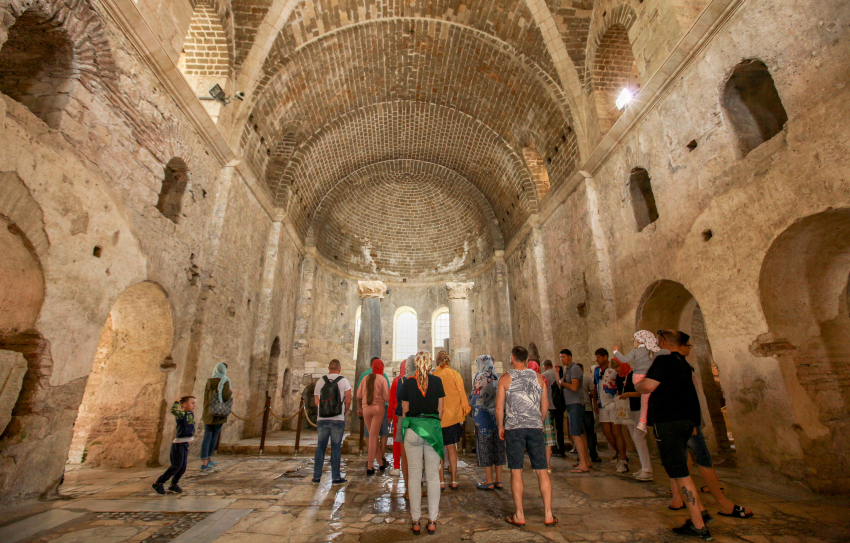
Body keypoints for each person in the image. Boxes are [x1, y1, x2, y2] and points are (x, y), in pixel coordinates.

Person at [668, 332, 753, 518]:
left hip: (678, 420)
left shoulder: (671, 365)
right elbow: (687, 396)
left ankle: (678, 498)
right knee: (702, 458)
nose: (690, 349)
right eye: (688, 346)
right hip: (687, 420)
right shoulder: (680, 366)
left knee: (681, 459)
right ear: (680, 346)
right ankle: (722, 503)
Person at [636, 330, 711, 540]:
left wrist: (638, 385)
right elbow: (691, 395)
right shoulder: (684, 364)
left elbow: (648, 386)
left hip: (668, 422)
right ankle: (700, 512)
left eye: (659, 340)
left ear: (663, 342)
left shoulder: (663, 361)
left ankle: (699, 524)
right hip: (686, 422)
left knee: (679, 473)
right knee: (680, 471)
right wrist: (694, 422)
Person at [497, 346, 556, 527]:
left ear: (512, 358)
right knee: (542, 470)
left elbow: (499, 407)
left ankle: (520, 514)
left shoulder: (506, 378)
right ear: (527, 359)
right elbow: (544, 404)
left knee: (516, 471)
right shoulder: (539, 378)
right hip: (535, 427)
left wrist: (501, 426)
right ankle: (548, 514)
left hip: (514, 428)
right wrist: (539, 420)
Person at [400, 351, 446, 535]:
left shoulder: (408, 383)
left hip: (413, 430)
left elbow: (405, 411)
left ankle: (416, 520)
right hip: (432, 430)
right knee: (433, 476)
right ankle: (433, 519)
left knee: (414, 476)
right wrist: (432, 423)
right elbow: (440, 410)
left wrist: (414, 425)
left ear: (416, 364)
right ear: (429, 364)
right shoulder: (437, 382)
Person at [432, 350, 471, 491]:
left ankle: (441, 481)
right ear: (448, 361)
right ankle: (454, 480)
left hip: (438, 418)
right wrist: (465, 409)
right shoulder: (455, 374)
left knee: (439, 450)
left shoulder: (434, 376)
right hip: (453, 418)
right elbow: (462, 393)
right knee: (452, 447)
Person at [613, 330, 661, 432]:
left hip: (638, 405)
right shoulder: (619, 376)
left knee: (638, 435)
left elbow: (641, 391)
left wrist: (627, 394)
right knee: (634, 434)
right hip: (629, 407)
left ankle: (643, 421)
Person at [313, 359, 352, 484]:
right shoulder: (344, 381)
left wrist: (324, 411)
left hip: (322, 418)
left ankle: (316, 476)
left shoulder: (320, 381)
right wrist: (342, 412)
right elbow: (348, 400)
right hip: (337, 419)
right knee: (336, 447)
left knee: (320, 447)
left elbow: (316, 401)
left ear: (328, 368)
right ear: (339, 369)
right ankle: (335, 477)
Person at [470, 355, 505, 490]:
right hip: (498, 416)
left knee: (485, 447)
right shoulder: (497, 377)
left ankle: (489, 480)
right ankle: (499, 479)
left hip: (483, 418)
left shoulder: (480, 377)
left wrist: (472, 411)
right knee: (498, 447)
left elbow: (475, 397)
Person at [591, 348, 629, 472]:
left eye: (599, 357)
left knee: (617, 432)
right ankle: (619, 453)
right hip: (602, 404)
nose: (597, 359)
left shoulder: (613, 369)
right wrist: (595, 401)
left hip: (614, 403)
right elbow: (595, 386)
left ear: (606, 357)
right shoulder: (596, 370)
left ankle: (623, 459)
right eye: (596, 357)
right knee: (607, 433)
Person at [153, 396, 196, 495]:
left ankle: (173, 484)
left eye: (194, 403)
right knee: (176, 466)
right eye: (192, 403)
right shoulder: (181, 414)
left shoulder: (190, 414)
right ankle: (159, 482)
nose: (194, 405)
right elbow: (173, 410)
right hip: (179, 444)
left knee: (183, 467)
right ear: (185, 405)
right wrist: (177, 402)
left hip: (185, 443)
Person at [559, 349, 591, 473]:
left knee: (575, 434)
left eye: (564, 357)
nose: (562, 359)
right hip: (572, 404)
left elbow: (574, 386)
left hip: (576, 404)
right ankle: (586, 460)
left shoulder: (575, 368)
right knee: (581, 433)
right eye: (561, 357)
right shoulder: (568, 370)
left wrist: (563, 383)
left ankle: (583, 464)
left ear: (570, 357)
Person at [619, 365, 653, 480]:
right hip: (631, 410)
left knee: (639, 438)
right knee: (636, 438)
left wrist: (627, 394)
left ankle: (647, 470)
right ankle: (644, 467)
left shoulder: (637, 374)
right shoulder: (626, 376)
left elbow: (640, 392)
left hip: (639, 409)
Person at [357, 356, 392, 470]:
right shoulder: (382, 378)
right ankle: (370, 466)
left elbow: (358, 395)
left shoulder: (364, 378)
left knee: (372, 436)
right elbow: (387, 398)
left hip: (366, 409)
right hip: (378, 409)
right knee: (374, 437)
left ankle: (380, 463)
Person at [201, 362, 232, 470]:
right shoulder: (225, 381)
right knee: (214, 435)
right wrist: (230, 393)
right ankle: (208, 458)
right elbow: (225, 396)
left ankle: (204, 461)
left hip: (208, 411)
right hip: (218, 412)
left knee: (207, 435)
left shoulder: (210, 381)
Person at [394, 355, 416, 498]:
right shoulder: (423, 381)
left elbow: (398, 400)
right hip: (418, 418)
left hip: (403, 418)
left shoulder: (401, 381)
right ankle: (416, 486)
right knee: (418, 454)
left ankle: (408, 489)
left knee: (405, 456)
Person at [528, 360, 556, 472]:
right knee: (547, 440)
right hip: (545, 411)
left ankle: (537, 464)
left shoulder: (529, 380)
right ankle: (547, 464)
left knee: (534, 439)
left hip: (533, 412)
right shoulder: (542, 378)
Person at [541, 359, 566, 457]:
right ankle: (562, 450)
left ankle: (553, 449)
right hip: (559, 405)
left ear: (545, 365)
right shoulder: (558, 374)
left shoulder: (543, 375)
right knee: (560, 429)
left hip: (549, 405)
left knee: (549, 429)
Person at [578, 363, 601, 462]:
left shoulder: (571, 379)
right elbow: (593, 392)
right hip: (587, 408)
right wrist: (594, 402)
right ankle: (593, 455)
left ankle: (583, 456)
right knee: (590, 433)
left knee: (581, 434)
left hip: (578, 409)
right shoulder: (586, 378)